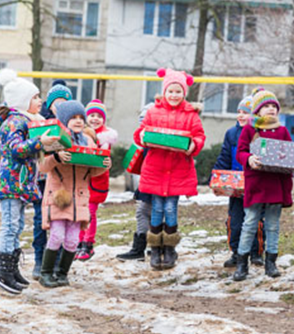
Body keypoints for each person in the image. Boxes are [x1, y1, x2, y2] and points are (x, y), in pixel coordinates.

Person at [0, 69, 59, 295]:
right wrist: (40, 142)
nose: (40, 101)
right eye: (36, 97)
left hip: (20, 183)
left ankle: (12, 267)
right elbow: (15, 148)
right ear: (22, 101)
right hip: (11, 183)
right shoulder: (14, 121)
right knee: (10, 226)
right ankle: (2, 271)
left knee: (17, 225)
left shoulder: (26, 120)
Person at [134, 68, 206, 270]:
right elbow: (141, 131)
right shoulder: (153, 112)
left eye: (178, 91)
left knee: (170, 208)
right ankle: (155, 249)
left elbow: (199, 135)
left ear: (184, 93)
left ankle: (170, 248)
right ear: (164, 92)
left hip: (177, 171)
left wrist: (194, 145)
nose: (174, 95)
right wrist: (141, 136)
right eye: (171, 91)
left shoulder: (191, 115)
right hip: (156, 169)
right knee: (156, 208)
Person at [38, 100, 111, 287]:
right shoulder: (56, 139)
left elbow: (92, 170)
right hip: (59, 195)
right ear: (63, 120)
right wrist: (56, 157)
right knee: (56, 236)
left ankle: (62, 273)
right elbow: (43, 167)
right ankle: (46, 273)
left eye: (81, 118)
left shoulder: (88, 141)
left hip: (79, 197)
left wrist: (103, 166)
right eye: (73, 118)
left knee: (71, 241)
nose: (78, 121)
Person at [233, 87, 294, 281]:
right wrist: (249, 158)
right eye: (266, 106)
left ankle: (271, 262)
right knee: (250, 223)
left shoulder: (283, 130)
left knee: (273, 225)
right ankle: (242, 262)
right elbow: (240, 152)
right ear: (257, 110)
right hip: (257, 185)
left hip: (276, 185)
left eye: (273, 106)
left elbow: (290, 154)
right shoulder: (250, 129)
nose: (270, 109)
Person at [212, 95, 265, 268]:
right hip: (236, 186)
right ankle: (236, 252)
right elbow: (225, 156)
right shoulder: (231, 133)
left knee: (255, 220)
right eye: (239, 112)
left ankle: (256, 253)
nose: (241, 116)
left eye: (246, 112)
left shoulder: (260, 134)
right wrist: (216, 176)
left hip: (255, 186)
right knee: (234, 221)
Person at [31, 82, 73, 279]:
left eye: (64, 102)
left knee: (60, 221)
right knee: (41, 220)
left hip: (62, 181)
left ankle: (55, 262)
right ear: (50, 104)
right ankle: (39, 261)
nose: (60, 106)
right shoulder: (41, 122)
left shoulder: (72, 125)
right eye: (57, 102)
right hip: (41, 178)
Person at [76, 99, 118, 261]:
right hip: (82, 180)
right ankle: (78, 242)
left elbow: (101, 158)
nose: (95, 119)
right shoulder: (81, 134)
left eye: (98, 116)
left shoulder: (106, 138)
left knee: (90, 213)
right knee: (80, 213)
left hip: (97, 180)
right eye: (91, 115)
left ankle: (88, 243)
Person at [117, 103, 154, 262]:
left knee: (152, 213)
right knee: (149, 213)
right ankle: (151, 247)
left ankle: (145, 248)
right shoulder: (145, 139)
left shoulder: (154, 139)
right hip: (148, 180)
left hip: (154, 181)